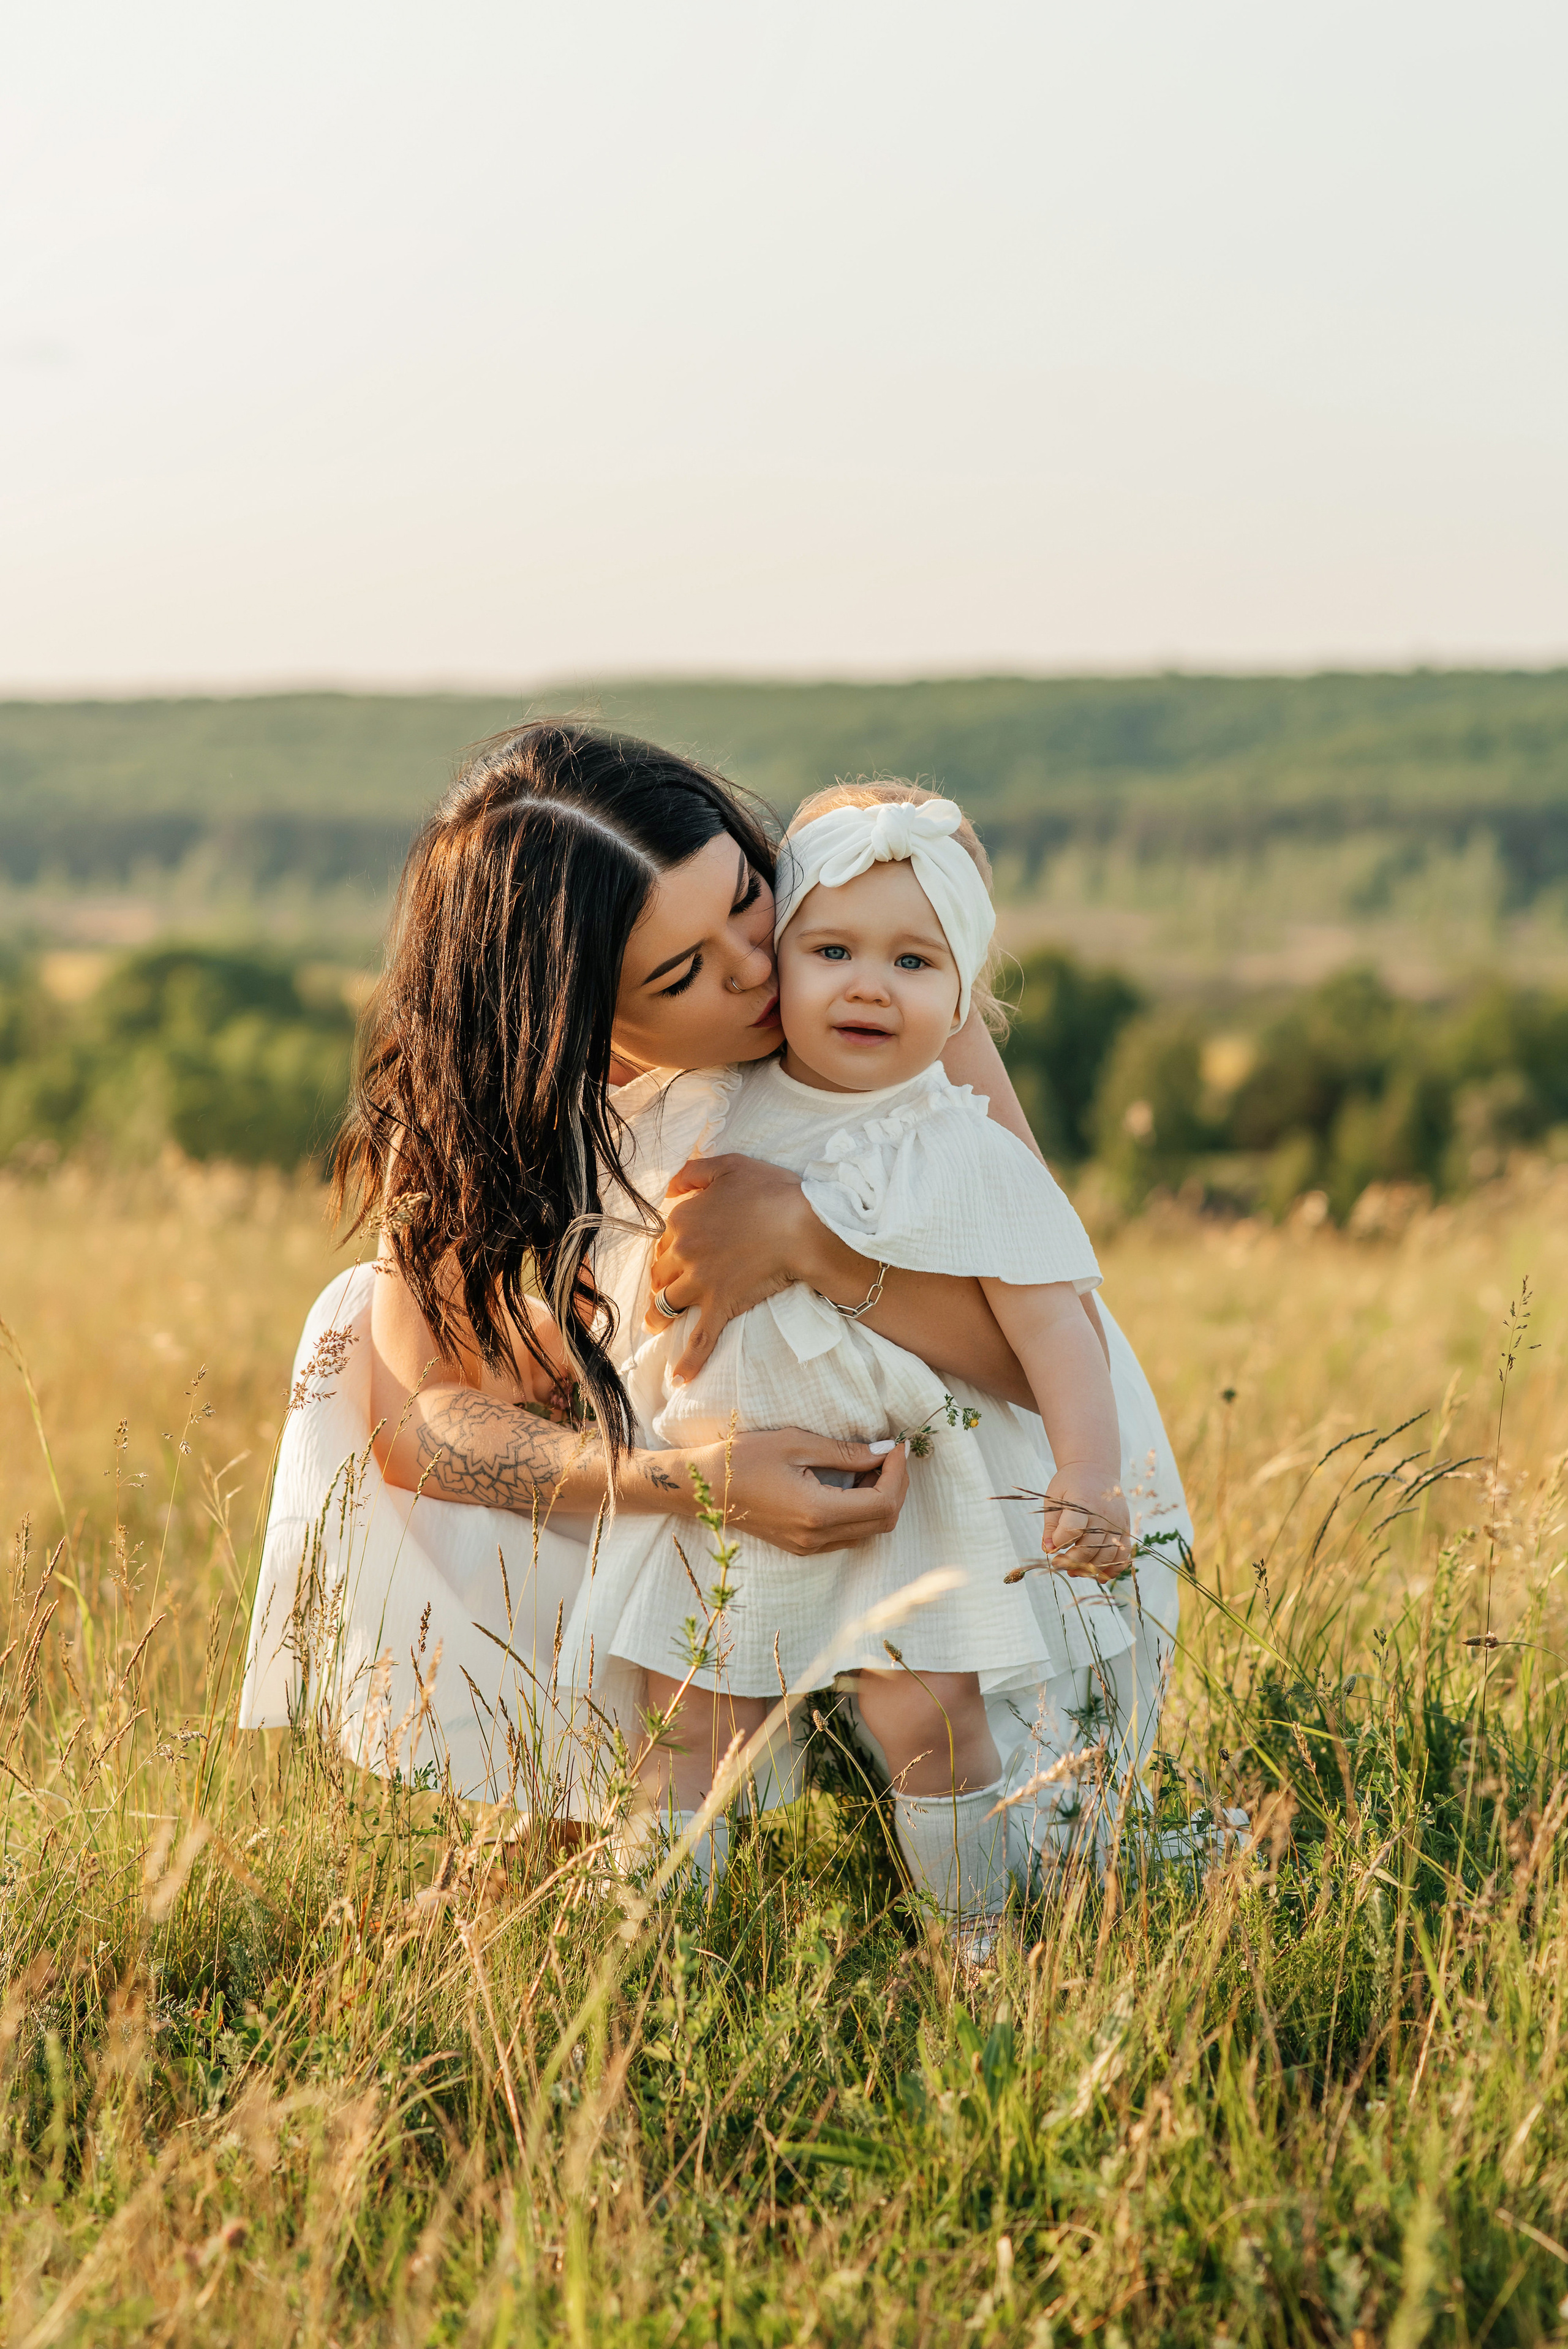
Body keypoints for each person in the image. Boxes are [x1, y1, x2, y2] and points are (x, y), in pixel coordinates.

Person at [238, 725, 1186, 1870]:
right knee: (364, 1343)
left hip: (982, 1455)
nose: (755, 967)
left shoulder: (866, 967)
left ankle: (940, 1796)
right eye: (681, 973)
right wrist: (693, 1486)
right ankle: (577, 1775)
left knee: (986, 1786)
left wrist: (803, 1239)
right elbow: (416, 1424)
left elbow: (1045, 1329)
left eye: (745, 896)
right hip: (711, 1468)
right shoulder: (480, 1094)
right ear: (570, 1016)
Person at [561, 784, 1159, 1939]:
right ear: (776, 960)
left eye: (916, 962)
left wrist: (1091, 1480)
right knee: (691, 1721)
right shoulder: (708, 1105)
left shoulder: (965, 1148)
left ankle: (977, 1934)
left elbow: (1057, 1332)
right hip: (721, 1472)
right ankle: (645, 1943)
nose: (869, 984)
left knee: (929, 1719)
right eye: (830, 949)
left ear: (965, 1002)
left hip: (909, 1487)